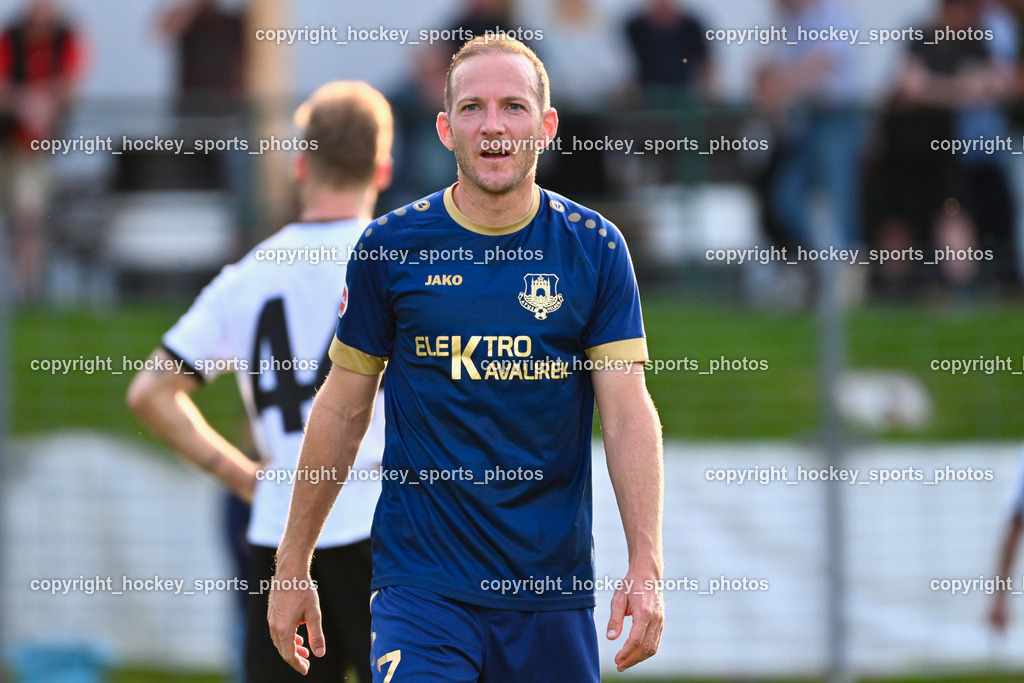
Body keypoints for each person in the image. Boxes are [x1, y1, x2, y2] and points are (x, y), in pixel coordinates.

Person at [268, 34, 665, 681]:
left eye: (513, 106)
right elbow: (341, 410)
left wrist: (646, 564)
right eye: (474, 108)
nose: (494, 126)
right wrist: (292, 565)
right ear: (447, 128)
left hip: (549, 595)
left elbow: (626, 415)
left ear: (547, 124)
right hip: (422, 589)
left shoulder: (594, 248)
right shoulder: (390, 248)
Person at [126, 80, 394, 682]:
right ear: (383, 168)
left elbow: (150, 392)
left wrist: (242, 477)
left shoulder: (248, 275)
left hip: (281, 523)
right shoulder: (401, 266)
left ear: (300, 166)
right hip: (385, 518)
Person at [0, 0, 85, 302]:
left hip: (34, 150)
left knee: (28, 217)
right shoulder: (10, 37)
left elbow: (72, 85)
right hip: (7, 141)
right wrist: (24, 103)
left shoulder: (66, 37)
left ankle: (27, 293)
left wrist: (45, 103)